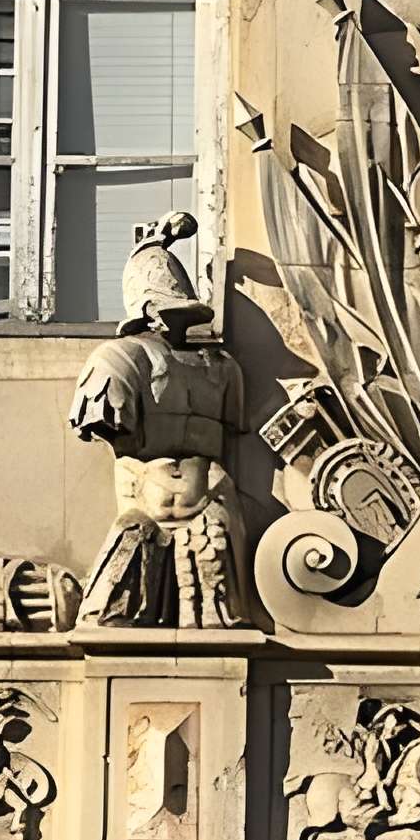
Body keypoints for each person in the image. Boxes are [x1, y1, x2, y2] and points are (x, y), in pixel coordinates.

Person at [69, 212, 252, 627]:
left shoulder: (222, 368)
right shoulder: (120, 360)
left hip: (212, 514)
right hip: (143, 513)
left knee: (219, 631)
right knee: (113, 620)